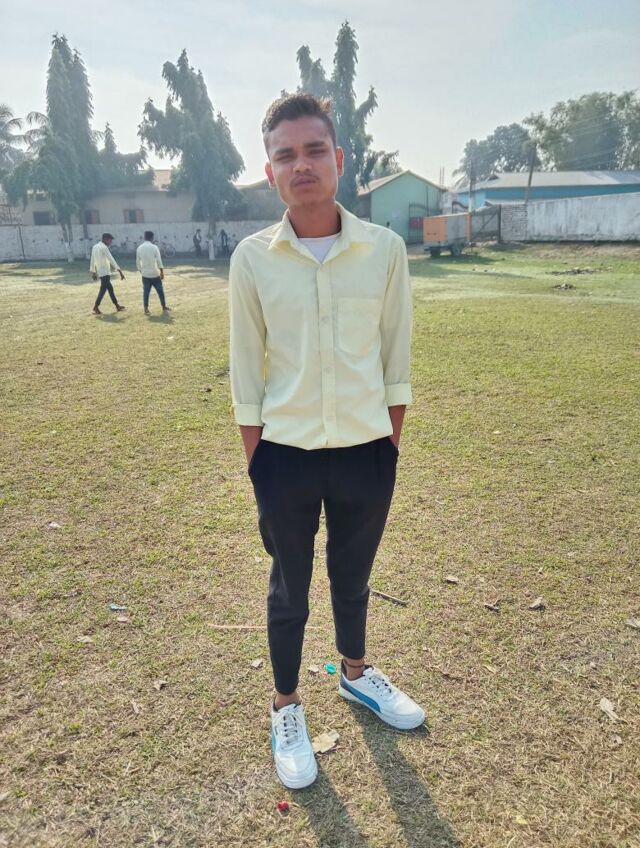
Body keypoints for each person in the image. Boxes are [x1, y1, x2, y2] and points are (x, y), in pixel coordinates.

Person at [229, 93, 424, 791]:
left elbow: (395, 360)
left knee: (353, 573)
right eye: (285, 155)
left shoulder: (384, 251)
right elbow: (246, 373)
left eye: (314, 150)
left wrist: (388, 444)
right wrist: (259, 460)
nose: (301, 164)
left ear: (339, 159)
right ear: (270, 171)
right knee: (290, 585)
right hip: (283, 456)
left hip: (367, 450)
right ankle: (286, 706)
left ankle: (356, 673)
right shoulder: (252, 260)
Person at [90, 233, 125, 315]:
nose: (111, 242)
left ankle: (117, 306)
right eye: (110, 240)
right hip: (105, 272)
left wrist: (93, 272)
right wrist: (119, 271)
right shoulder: (104, 247)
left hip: (101, 271)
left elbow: (92, 259)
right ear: (105, 239)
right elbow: (111, 259)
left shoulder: (95, 247)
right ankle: (95, 307)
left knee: (110, 289)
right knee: (102, 290)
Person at [136, 231, 170, 315]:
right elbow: (159, 261)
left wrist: (141, 270)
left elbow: (137, 262)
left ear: (144, 237)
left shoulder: (139, 248)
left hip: (145, 274)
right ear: (152, 238)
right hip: (155, 274)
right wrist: (162, 272)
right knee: (160, 291)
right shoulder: (154, 247)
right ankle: (163, 306)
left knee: (146, 292)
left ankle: (146, 308)